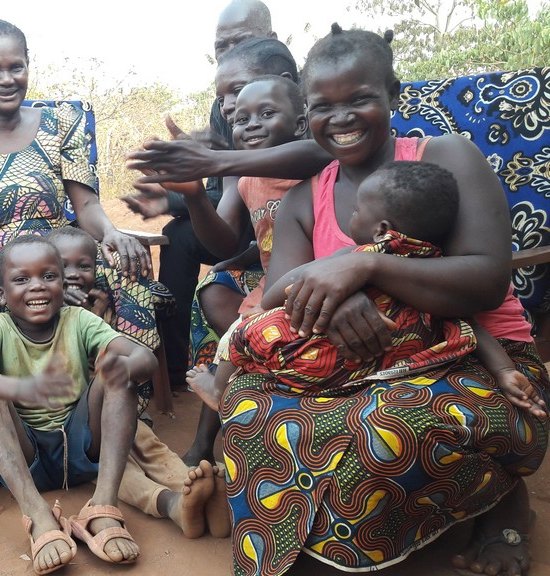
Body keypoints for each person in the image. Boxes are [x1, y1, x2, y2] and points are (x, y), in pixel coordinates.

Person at [138, 24, 550, 576]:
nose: (342, 118)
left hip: (476, 355)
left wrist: (364, 266)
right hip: (351, 361)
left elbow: (486, 281)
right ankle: (315, 546)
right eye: (324, 107)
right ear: (307, 114)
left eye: (359, 99)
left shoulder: (445, 158)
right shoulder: (305, 197)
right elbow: (278, 294)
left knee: (385, 431)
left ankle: (498, 502)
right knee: (248, 408)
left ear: (393, 94)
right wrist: (331, 289)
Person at [215, 161, 545, 419]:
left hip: (311, 365)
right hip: (380, 374)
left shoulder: (352, 257)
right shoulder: (431, 267)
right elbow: (468, 326)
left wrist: (265, 306)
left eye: (356, 211)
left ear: (381, 229)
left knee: (244, 333)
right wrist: (504, 371)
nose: (352, 215)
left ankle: (218, 388)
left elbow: (287, 286)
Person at [0, 19, 157, 351]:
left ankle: (129, 369)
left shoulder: (61, 124)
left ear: (28, 66)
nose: (7, 79)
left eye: (16, 67)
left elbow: (86, 205)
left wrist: (111, 232)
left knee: (125, 259)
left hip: (60, 249)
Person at [0, 235, 157, 574]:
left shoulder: (79, 319)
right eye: (21, 279)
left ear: (63, 283)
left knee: (119, 368)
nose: (37, 286)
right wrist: (22, 387)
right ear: (1, 294)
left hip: (83, 449)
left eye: (48, 276)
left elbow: (144, 357)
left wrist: (123, 370)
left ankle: (102, 507)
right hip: (25, 457)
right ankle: (37, 514)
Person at [120, 0, 277, 394]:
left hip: (286, 230)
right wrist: (178, 198)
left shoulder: (304, 99)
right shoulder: (225, 107)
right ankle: (174, 369)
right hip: (245, 219)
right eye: (222, 47)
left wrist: (216, 163)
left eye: (241, 41)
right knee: (179, 234)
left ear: (271, 41)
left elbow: (307, 158)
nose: (231, 53)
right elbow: (224, 189)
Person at [47, 227, 229, 539]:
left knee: (146, 443)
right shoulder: (42, 312)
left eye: (84, 266)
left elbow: (120, 362)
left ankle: (194, 487)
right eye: (63, 267)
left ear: (96, 270)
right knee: (117, 464)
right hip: (76, 426)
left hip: (116, 410)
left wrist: (95, 317)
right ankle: (169, 502)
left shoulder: (100, 307)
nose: (74, 274)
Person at [171, 42, 304, 466]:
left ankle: (249, 404)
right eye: (226, 98)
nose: (229, 106)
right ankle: (204, 439)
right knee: (222, 307)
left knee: (244, 335)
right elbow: (226, 242)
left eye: (240, 89)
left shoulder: (318, 157)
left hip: (309, 278)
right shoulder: (244, 172)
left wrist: (216, 161)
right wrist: (194, 195)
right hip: (272, 278)